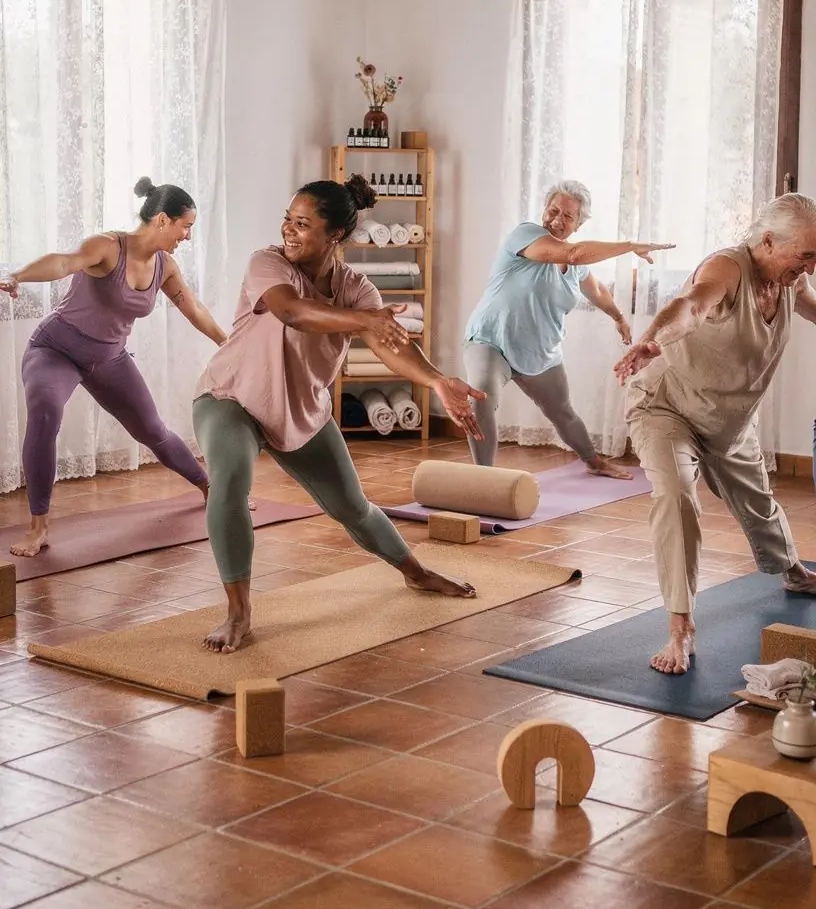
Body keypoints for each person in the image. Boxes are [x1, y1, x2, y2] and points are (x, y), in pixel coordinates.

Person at [193, 174, 486, 654]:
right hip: (231, 398)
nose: (289, 230)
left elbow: (391, 347)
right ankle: (239, 611)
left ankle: (416, 573)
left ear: (335, 236)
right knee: (229, 483)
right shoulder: (267, 263)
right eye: (288, 219)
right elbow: (294, 312)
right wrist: (366, 321)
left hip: (302, 410)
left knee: (351, 506)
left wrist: (436, 380)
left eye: (302, 224)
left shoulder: (356, 288)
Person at [615, 192, 816, 676]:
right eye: (806, 254)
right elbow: (690, 305)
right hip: (668, 404)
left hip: (728, 415)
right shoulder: (729, 268)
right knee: (676, 494)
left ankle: (790, 569)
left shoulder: (789, 281)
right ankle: (680, 627)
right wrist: (650, 341)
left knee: (757, 500)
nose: (812, 264)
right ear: (767, 241)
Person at [0, 177, 226, 559]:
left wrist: (227, 343)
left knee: (153, 430)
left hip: (109, 359)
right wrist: (17, 275)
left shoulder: (165, 266)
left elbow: (193, 308)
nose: (187, 236)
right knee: (45, 411)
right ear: (162, 220)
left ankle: (211, 490)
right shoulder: (107, 246)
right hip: (55, 349)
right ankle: (38, 527)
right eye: (185, 226)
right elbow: (63, 261)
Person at [463, 180, 674, 476]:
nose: (556, 220)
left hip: (539, 350)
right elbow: (571, 253)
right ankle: (483, 478)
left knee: (562, 412)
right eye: (553, 211)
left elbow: (596, 290)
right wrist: (629, 246)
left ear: (578, 224)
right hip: (491, 340)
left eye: (567, 216)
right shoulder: (525, 235)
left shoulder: (577, 264)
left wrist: (618, 317)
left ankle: (595, 462)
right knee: (482, 396)